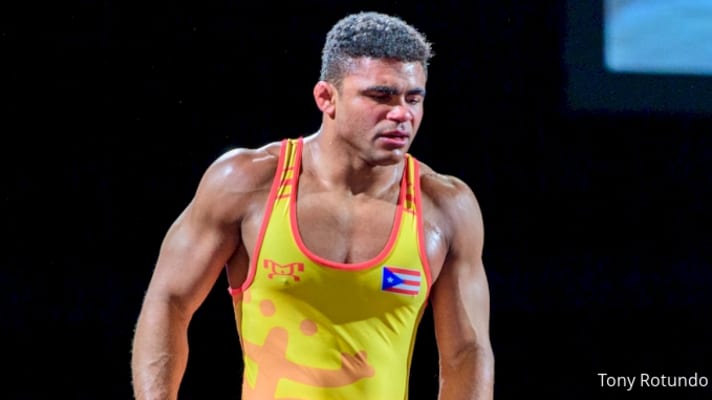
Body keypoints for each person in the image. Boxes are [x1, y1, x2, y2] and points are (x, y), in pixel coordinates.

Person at [131, 10, 494, 400]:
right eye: (380, 96)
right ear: (326, 98)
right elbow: (169, 301)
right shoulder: (246, 183)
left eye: (414, 98)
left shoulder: (445, 207)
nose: (402, 114)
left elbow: (466, 352)